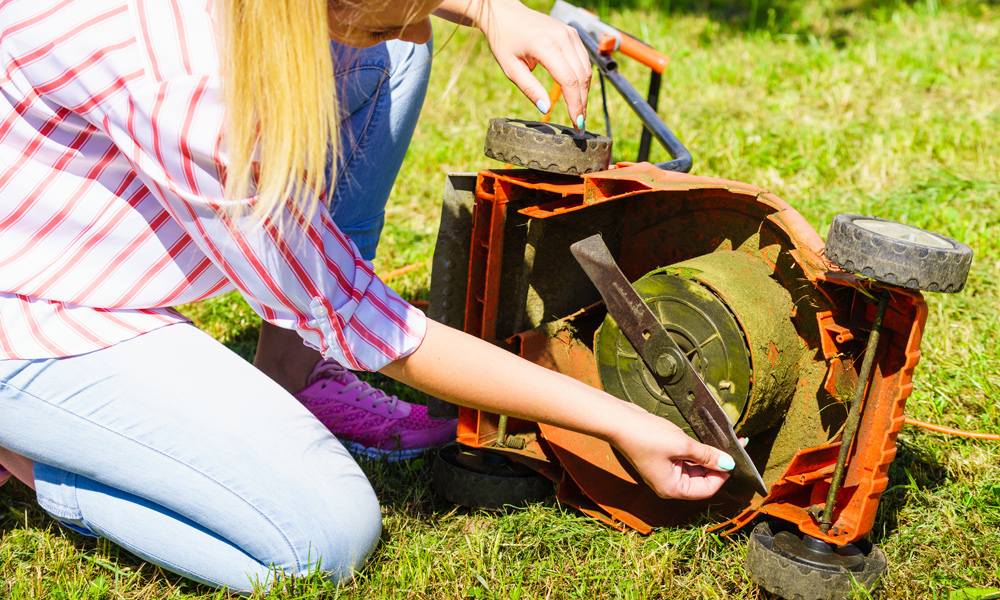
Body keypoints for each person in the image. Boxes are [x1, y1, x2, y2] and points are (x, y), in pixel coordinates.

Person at [0, 0, 737, 593]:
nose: (412, 26)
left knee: (392, 61)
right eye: (385, 14)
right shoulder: (182, 86)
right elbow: (375, 325)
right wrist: (614, 420)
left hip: (61, 231)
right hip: (35, 312)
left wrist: (491, 8)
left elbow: (399, 27)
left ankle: (297, 372)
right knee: (320, 537)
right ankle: (32, 461)